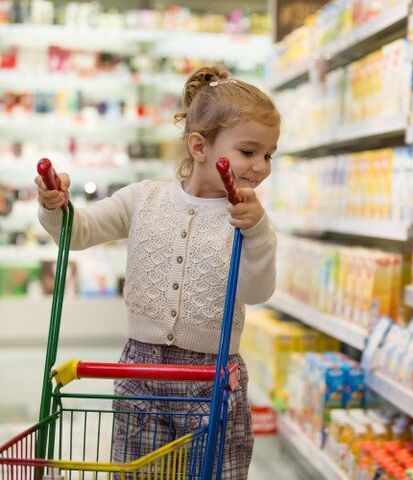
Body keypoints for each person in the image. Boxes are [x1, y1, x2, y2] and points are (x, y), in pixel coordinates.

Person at [35, 65, 280, 479]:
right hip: (140, 374)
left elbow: (257, 291)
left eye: (269, 155)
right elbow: (78, 232)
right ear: (199, 147)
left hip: (213, 377)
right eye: (249, 151)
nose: (260, 166)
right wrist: (55, 205)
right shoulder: (143, 199)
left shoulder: (247, 219)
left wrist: (257, 232)